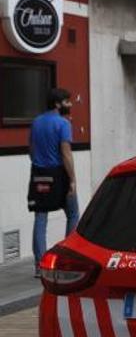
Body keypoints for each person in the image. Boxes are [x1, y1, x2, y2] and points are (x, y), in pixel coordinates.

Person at [28, 88, 79, 277]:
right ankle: (65, 261)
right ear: (58, 104)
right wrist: (72, 180)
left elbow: (31, 151)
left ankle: (39, 266)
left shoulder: (36, 122)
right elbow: (66, 153)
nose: (71, 104)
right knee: (73, 214)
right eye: (67, 101)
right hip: (59, 175)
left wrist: (40, 164)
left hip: (38, 173)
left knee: (40, 218)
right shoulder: (63, 124)